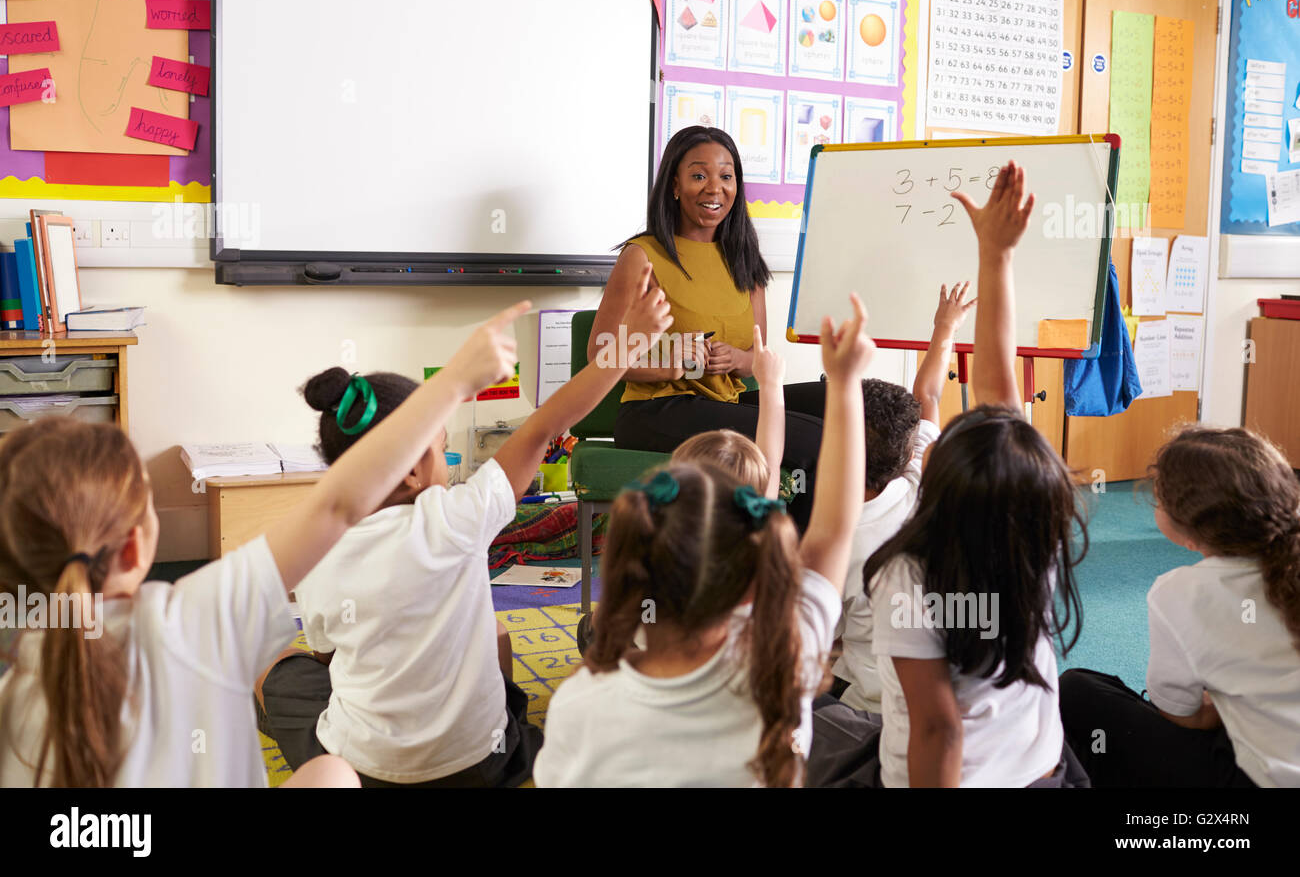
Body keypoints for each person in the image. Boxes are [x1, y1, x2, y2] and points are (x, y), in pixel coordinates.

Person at [0, 303, 530, 786]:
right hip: (455, 756)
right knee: (331, 774)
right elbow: (336, 506)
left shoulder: (11, 697)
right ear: (137, 549)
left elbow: (338, 511)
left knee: (296, 694)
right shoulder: (199, 617)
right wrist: (455, 382)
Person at [262, 268, 671, 786]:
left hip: (368, 773)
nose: (447, 459)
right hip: (483, 766)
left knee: (278, 669)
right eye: (439, 446)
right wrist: (628, 344)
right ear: (412, 470)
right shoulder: (460, 515)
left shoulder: (317, 551)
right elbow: (547, 423)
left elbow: (326, 656)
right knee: (497, 636)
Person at [808, 162, 1089, 788]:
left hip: (939, 776)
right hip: (1046, 776)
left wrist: (995, 254)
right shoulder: (1034, 537)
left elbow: (940, 733)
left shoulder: (908, 575)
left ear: (938, 486)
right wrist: (996, 256)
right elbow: (1000, 401)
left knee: (797, 723)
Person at [534, 293, 874, 786]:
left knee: (592, 628)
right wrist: (842, 386)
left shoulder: (579, 702)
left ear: (633, 568)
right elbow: (833, 528)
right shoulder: (790, 654)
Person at [591, 125, 843, 530]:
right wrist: (670, 363)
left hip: (724, 402)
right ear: (674, 184)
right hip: (654, 410)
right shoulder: (643, 256)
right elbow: (600, 354)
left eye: (726, 176)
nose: (714, 188)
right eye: (698, 175)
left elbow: (756, 358)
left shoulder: (744, 257)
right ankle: (787, 566)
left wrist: (738, 358)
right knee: (814, 442)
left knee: (845, 402)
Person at [1060, 426, 1300, 787]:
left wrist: (1219, 705)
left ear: (1190, 526)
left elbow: (1184, 716)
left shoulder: (1181, 593)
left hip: (1254, 780)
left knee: (1076, 690)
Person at [831, 283, 974, 714]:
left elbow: (818, 641)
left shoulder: (835, 543)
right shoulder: (922, 482)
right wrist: (944, 328)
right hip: (944, 693)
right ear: (910, 452)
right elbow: (928, 395)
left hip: (870, 708)